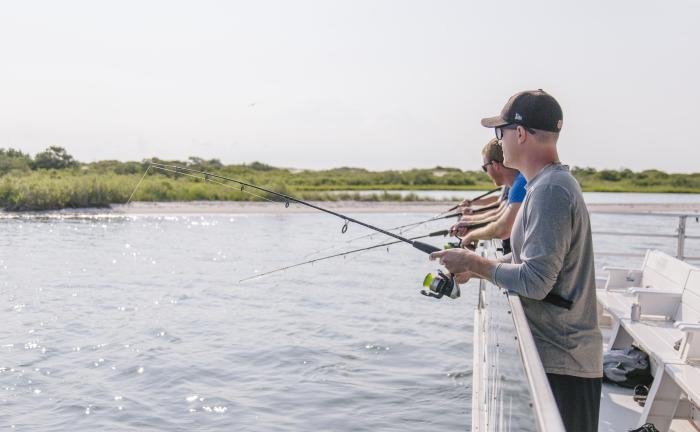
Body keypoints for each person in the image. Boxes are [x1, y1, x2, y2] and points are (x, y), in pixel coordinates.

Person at [430, 89, 603, 431]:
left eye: (501, 132)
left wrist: (478, 263)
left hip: (565, 361)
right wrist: (472, 270)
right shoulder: (546, 185)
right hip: (557, 358)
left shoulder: (552, 190)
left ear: (520, 134)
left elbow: (536, 282)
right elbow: (529, 259)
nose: (500, 141)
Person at [450, 138, 526, 253]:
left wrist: (470, 235)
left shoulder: (520, 183)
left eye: (485, 168)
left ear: (495, 165)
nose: (486, 172)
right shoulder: (517, 182)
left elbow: (503, 228)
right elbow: (499, 215)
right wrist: (470, 224)